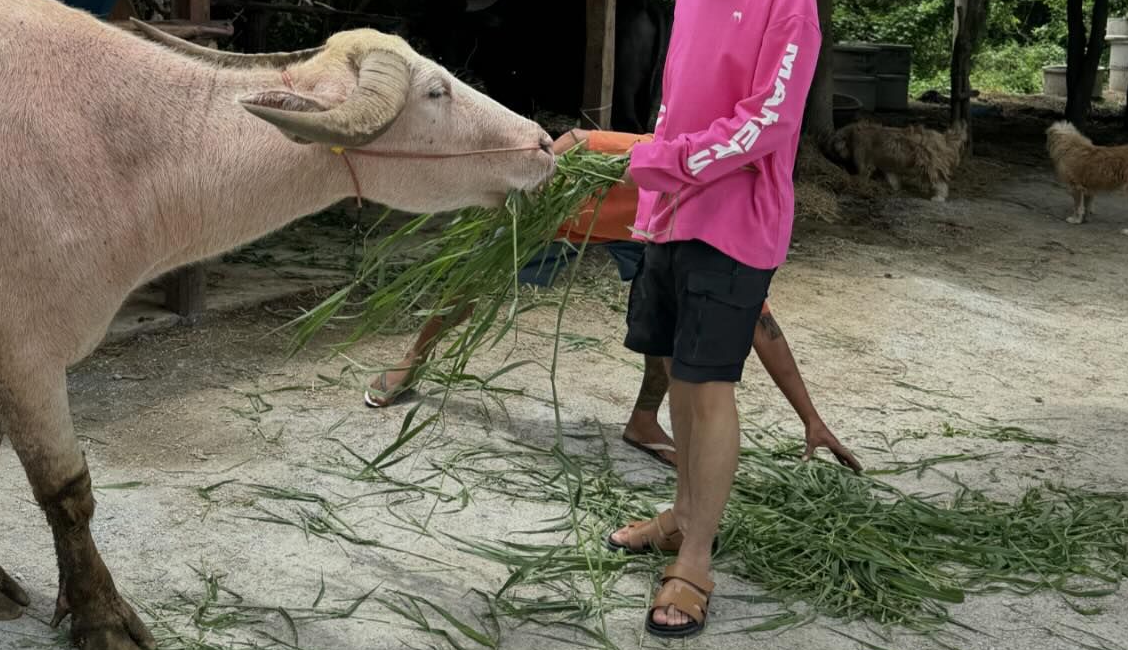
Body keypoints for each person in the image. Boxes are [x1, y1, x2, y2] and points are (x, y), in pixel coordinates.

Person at [611, 0, 821, 640]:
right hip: (674, 210)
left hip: (737, 221)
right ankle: (679, 512)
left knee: (707, 386)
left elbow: (766, 122)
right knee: (676, 369)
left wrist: (664, 163)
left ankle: (694, 557)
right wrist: (655, 175)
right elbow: (677, 97)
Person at [365, 130, 858, 474]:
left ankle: (643, 423)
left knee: (670, 330)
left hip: (651, 239)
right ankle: (413, 359)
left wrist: (811, 419)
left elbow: (756, 318)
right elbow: (579, 142)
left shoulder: (719, 221)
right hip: (571, 217)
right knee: (476, 276)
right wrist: (533, 189)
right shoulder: (629, 156)